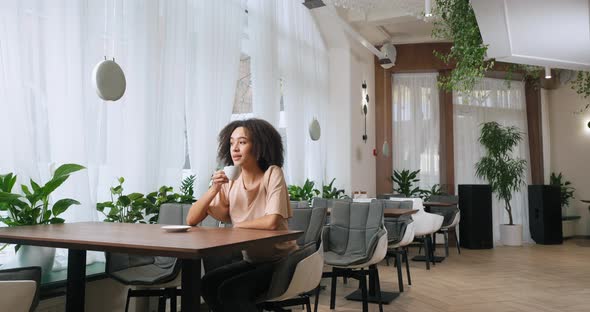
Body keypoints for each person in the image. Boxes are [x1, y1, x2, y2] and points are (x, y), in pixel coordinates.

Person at [186, 118, 297, 312]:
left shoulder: (272, 173)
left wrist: (237, 226)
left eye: (242, 142)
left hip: (282, 261)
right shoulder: (230, 181)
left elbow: (272, 221)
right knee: (208, 284)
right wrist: (214, 189)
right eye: (231, 143)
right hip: (253, 261)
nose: (235, 148)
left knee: (231, 292)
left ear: (259, 146)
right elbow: (192, 219)